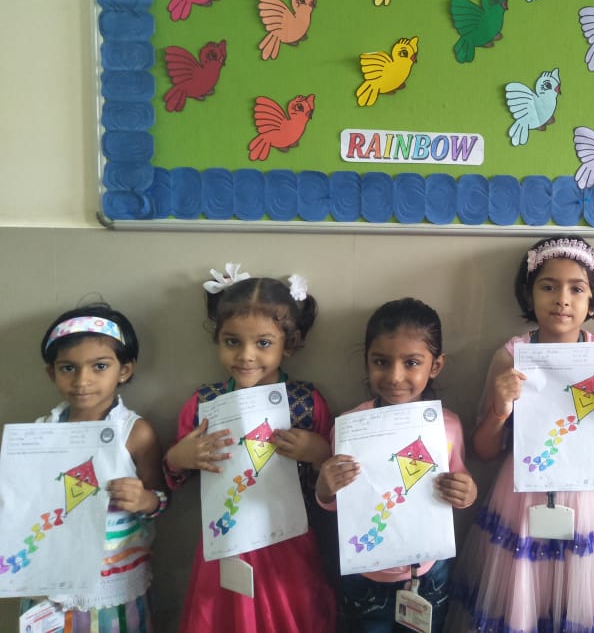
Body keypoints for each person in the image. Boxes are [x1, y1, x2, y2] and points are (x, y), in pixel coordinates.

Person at [447, 235, 594, 632]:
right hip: (524, 498)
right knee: (525, 598)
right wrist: (500, 409)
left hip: (593, 501)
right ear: (529, 293)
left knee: (586, 599)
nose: (562, 299)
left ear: (592, 299)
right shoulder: (510, 355)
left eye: (576, 289)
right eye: (548, 287)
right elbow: (484, 450)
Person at [163, 267, 337, 632]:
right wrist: (181, 457)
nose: (246, 356)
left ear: (289, 343)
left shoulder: (306, 402)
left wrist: (317, 451)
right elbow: (174, 471)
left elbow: (331, 475)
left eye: (263, 343)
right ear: (217, 339)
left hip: (288, 542)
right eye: (232, 342)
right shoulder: (204, 403)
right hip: (225, 541)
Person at [316, 297, 477, 632]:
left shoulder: (446, 426)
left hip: (427, 572)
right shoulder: (350, 426)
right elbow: (341, 504)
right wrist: (325, 489)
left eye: (411, 362)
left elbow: (457, 483)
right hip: (366, 575)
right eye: (381, 361)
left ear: (435, 366)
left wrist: (467, 492)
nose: (394, 376)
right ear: (366, 361)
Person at [29, 303, 166, 632]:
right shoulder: (39, 433)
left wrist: (145, 500)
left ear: (125, 370)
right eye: (68, 368)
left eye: (99, 366)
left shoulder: (134, 433)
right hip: (50, 586)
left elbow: (161, 499)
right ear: (52, 373)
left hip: (113, 586)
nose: (82, 380)